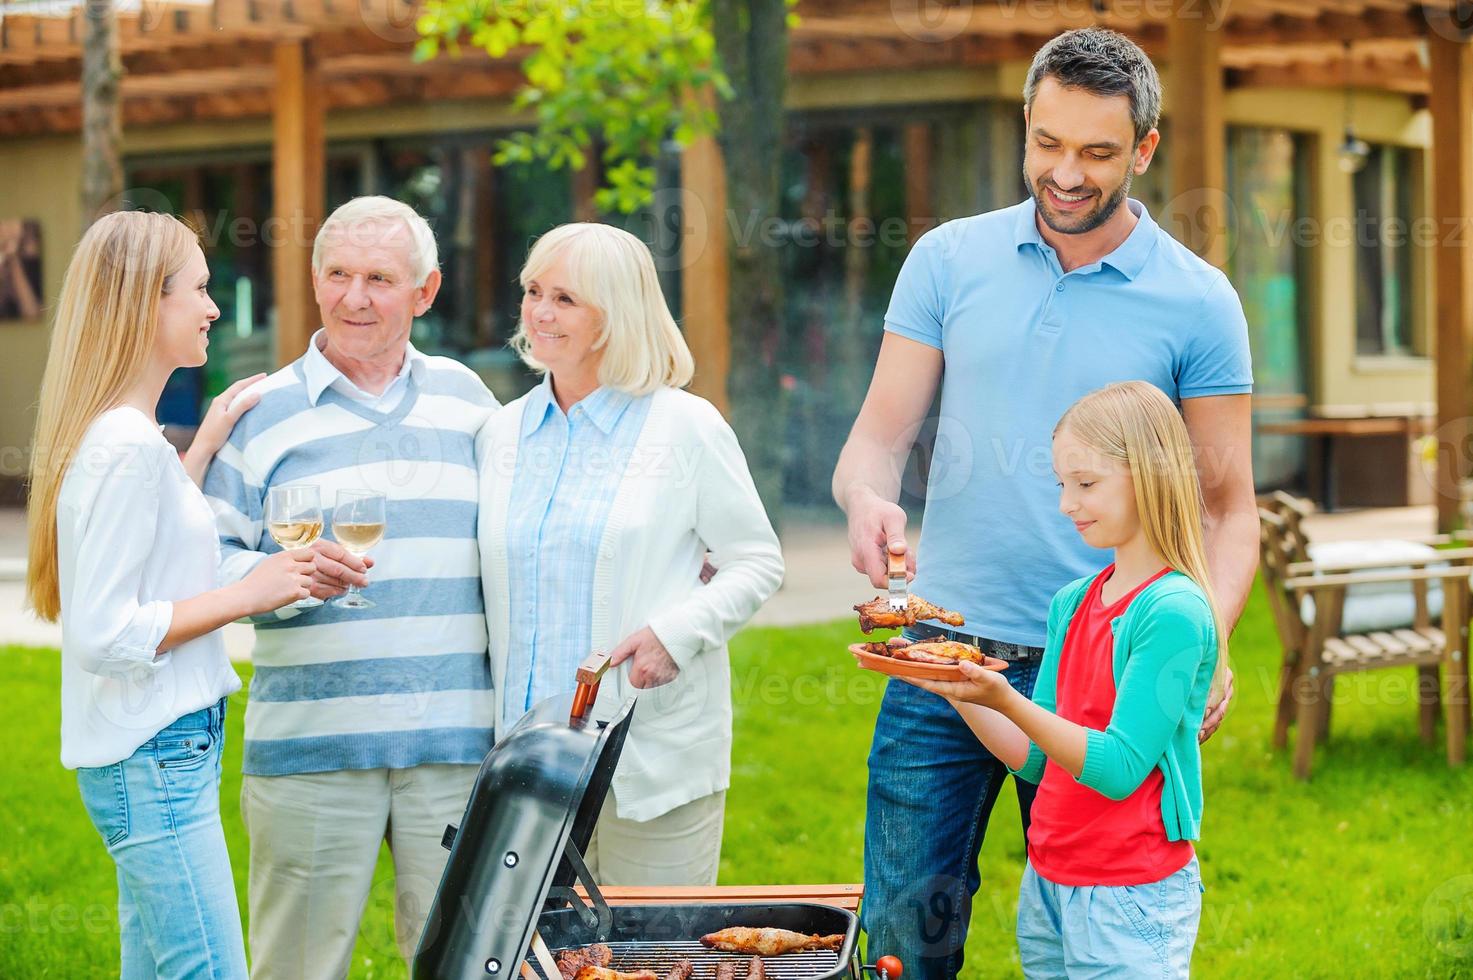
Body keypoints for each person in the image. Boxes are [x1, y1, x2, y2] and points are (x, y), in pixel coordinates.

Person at [831, 28, 1258, 977]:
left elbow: (1230, 509)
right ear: (1025, 124)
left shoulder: (1198, 301)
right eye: (1047, 143)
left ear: (1144, 150)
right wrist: (866, 498)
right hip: (943, 653)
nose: (1064, 173)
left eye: (1097, 153)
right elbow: (877, 439)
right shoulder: (948, 260)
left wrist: (1210, 639)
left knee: (1090, 934)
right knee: (900, 933)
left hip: (1100, 674)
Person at [202, 196, 499, 977]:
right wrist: (272, 577)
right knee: (295, 966)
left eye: (379, 278)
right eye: (337, 274)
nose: (354, 297)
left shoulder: (470, 403)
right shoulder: (256, 413)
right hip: (309, 751)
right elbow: (206, 559)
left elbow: (524, 541)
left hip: (456, 750)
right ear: (313, 279)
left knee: (464, 964)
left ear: (425, 292)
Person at [25, 210, 315, 979]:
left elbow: (154, 549)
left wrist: (207, 442)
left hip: (152, 756)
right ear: (145, 303)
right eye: (199, 288)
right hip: (153, 759)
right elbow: (103, 633)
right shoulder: (124, 447)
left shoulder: (128, 439)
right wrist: (251, 593)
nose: (215, 307)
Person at [477, 222, 784, 885]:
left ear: (615, 315)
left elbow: (756, 560)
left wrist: (674, 635)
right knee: (538, 958)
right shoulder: (500, 433)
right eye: (533, 290)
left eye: (565, 298)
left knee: (650, 949)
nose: (538, 312)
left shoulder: (685, 427)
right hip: (526, 763)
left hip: (644, 757)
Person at [890, 381, 1224, 978]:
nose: (1067, 504)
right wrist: (954, 686)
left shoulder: (1173, 612)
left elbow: (1121, 769)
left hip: (1129, 893)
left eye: (1086, 484)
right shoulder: (1072, 603)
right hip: (1049, 881)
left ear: (1150, 475)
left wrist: (1007, 700)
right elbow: (1036, 763)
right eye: (1062, 485)